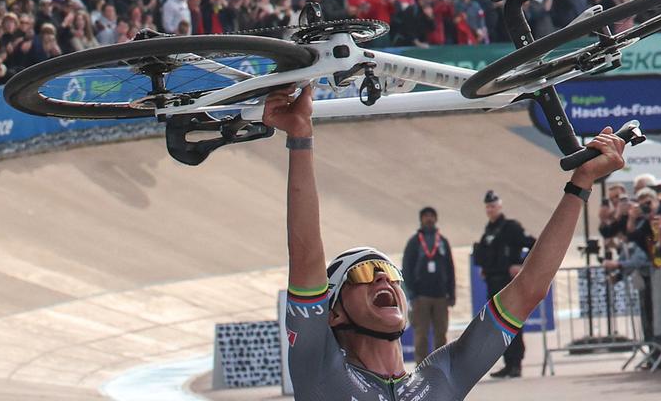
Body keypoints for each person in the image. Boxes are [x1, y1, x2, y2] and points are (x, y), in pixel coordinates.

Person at [263, 85, 626, 400]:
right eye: (363, 274)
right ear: (334, 313)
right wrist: (300, 138)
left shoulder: (442, 376)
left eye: (390, 273)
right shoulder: (319, 367)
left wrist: (581, 183)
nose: (383, 279)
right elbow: (306, 252)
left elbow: (530, 288)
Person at [472, 189, 534, 378]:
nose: (490, 209)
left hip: (508, 283)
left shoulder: (511, 227)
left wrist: (521, 266)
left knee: (512, 323)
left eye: (493, 206)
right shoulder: (489, 230)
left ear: (499, 206)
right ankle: (508, 363)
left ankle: (516, 363)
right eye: (488, 207)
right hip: (493, 283)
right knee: (499, 327)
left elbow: (534, 244)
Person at [401, 206, 455, 365]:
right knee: (421, 333)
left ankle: (440, 365)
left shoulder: (443, 242)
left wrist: (451, 294)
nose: (429, 219)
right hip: (421, 297)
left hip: (441, 296)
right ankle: (421, 366)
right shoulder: (414, 242)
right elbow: (407, 267)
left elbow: (450, 268)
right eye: (426, 216)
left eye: (432, 216)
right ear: (421, 219)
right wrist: (412, 294)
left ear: (436, 219)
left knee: (441, 333)